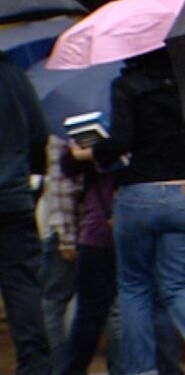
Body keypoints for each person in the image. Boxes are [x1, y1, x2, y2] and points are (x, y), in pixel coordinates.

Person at [70, 48, 185, 375]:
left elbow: (120, 142)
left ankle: (142, 370)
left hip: (138, 194)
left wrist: (93, 149)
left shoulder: (127, 85)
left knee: (134, 287)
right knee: (180, 284)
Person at [0, 57, 52, 374]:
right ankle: (35, 365)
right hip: (14, 199)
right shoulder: (14, 75)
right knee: (23, 289)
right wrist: (30, 183)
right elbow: (38, 136)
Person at [57, 147, 120, 375]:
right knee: (137, 304)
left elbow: (65, 167)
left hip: (98, 229)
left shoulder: (96, 126)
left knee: (89, 311)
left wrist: (84, 152)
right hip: (136, 224)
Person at [39, 135, 81, 375]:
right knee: (110, 306)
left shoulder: (60, 130)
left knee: (53, 302)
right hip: (99, 225)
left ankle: (59, 369)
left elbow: (59, 185)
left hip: (67, 227)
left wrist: (65, 236)